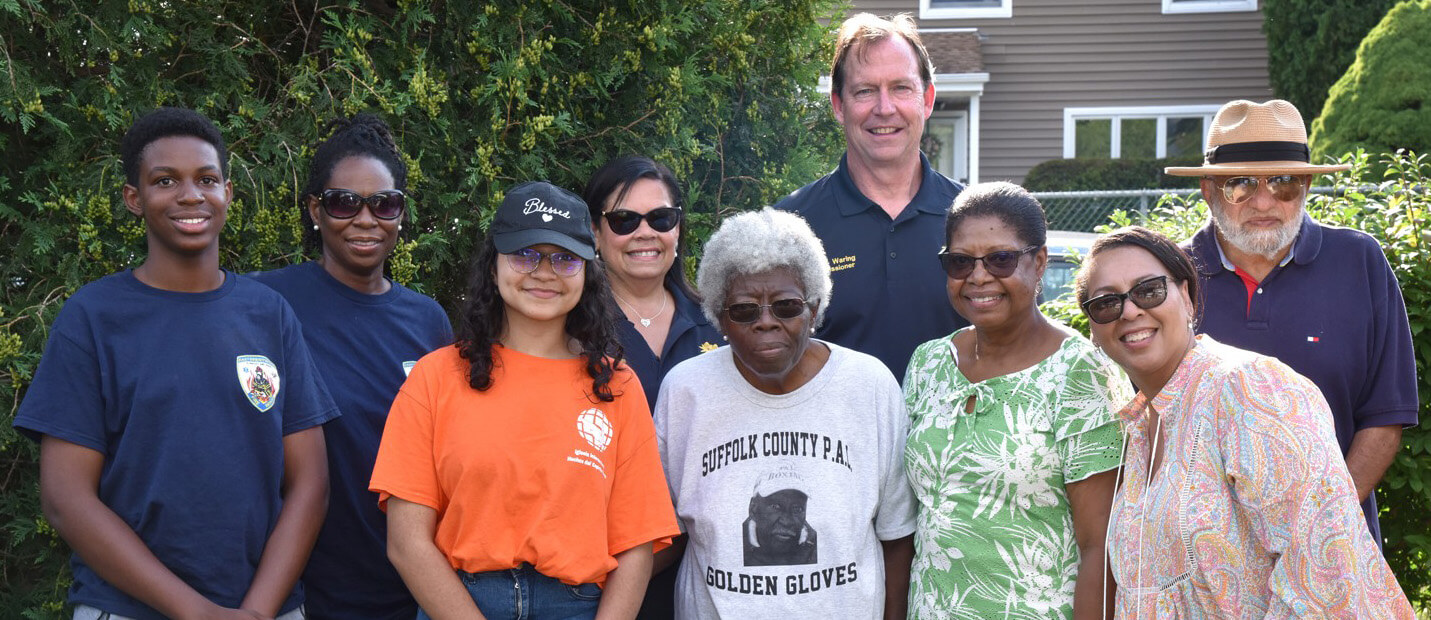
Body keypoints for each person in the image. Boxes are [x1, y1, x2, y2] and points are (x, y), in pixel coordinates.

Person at [13, 107, 337, 620]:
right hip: (124, 609)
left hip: (267, 609)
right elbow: (65, 497)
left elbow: (310, 484)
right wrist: (195, 612)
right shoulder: (92, 318)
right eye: (166, 180)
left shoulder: (269, 314)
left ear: (228, 193)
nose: (191, 195)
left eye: (207, 179)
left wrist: (255, 612)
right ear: (133, 199)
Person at [370, 181, 679, 619]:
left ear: (587, 272)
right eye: (525, 254)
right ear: (493, 265)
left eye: (565, 258)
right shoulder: (434, 378)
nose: (544, 272)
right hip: (458, 604)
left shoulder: (617, 386)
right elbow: (406, 543)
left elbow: (636, 545)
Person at [1074, 226, 1413, 617]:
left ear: (1186, 297)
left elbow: (1327, 579)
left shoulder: (1249, 389)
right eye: (1105, 304)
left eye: (1148, 290)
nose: (1130, 310)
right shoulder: (1137, 424)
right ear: (1094, 329)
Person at [1166, 99, 1419, 544]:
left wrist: (1318, 530)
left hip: (1333, 549)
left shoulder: (1360, 262)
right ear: (1207, 189)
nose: (1264, 201)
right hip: (1199, 554)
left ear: (1306, 186)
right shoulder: (1165, 278)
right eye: (1239, 185)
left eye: (1283, 183)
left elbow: (1384, 418)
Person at [654, 208, 916, 620]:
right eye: (743, 310)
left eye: (787, 306)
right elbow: (660, 534)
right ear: (719, 317)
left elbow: (897, 536)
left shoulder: (869, 386)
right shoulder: (687, 391)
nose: (766, 323)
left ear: (814, 309)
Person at [251, 114, 452, 620]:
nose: (366, 220)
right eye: (345, 202)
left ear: (401, 213)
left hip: (415, 589)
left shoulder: (427, 321)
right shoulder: (265, 303)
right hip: (300, 593)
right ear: (316, 209)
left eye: (384, 204)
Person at [901, 182, 1128, 619]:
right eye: (960, 261)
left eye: (1001, 259)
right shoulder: (929, 362)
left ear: (1039, 261)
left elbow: (1100, 546)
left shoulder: (1080, 373)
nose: (979, 276)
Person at [775, 13, 967, 381]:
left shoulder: (974, 220)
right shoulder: (790, 228)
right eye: (865, 91)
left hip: (956, 439)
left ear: (926, 99)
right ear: (838, 105)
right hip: (834, 438)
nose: (884, 108)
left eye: (900, 88)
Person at [582, 156, 722, 619]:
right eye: (624, 220)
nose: (645, 233)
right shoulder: (570, 333)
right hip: (598, 584)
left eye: (660, 218)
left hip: (707, 578)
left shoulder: (723, 326)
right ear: (596, 233)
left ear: (678, 229)